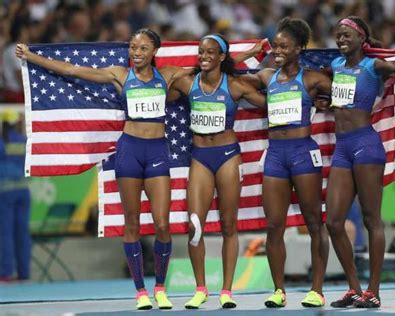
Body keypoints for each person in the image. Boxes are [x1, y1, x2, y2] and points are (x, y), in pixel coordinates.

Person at [16, 28, 194, 310]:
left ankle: (160, 287)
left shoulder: (170, 75)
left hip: (158, 151)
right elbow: (73, 70)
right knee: (132, 223)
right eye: (133, 48)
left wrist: (244, 56)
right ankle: (140, 292)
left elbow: (210, 74)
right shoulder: (120, 75)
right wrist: (32, 56)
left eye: (143, 49)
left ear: (154, 51)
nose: (136, 53)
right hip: (129, 152)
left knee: (162, 223)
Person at [324, 16, 395, 308]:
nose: (341, 39)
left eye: (347, 35)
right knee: (333, 221)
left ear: (361, 39)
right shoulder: (335, 67)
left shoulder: (373, 66)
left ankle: (374, 291)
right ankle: (354, 288)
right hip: (342, 148)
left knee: (371, 219)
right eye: (338, 36)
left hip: (366, 145)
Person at [168, 34, 266, 309]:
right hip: (200, 157)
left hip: (227, 157)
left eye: (211, 52)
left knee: (228, 226)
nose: (204, 56)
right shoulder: (188, 83)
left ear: (222, 57)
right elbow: (161, 94)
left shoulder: (235, 86)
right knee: (194, 225)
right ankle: (200, 289)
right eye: (201, 52)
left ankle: (226, 290)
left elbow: (269, 104)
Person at [241, 17, 332, 308]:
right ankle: (278, 290)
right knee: (274, 225)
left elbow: (346, 89)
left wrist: (326, 100)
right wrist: (248, 54)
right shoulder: (267, 76)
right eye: (275, 45)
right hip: (276, 155)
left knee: (314, 222)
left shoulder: (312, 79)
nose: (277, 50)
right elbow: (231, 75)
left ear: (299, 49)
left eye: (284, 46)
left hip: (303, 152)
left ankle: (316, 290)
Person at [0, 110, 31, 282]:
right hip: (23, 191)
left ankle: (5, 272)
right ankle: (24, 273)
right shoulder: (24, 141)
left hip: (4, 192)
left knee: (5, 233)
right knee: (22, 233)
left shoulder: (1, 142)